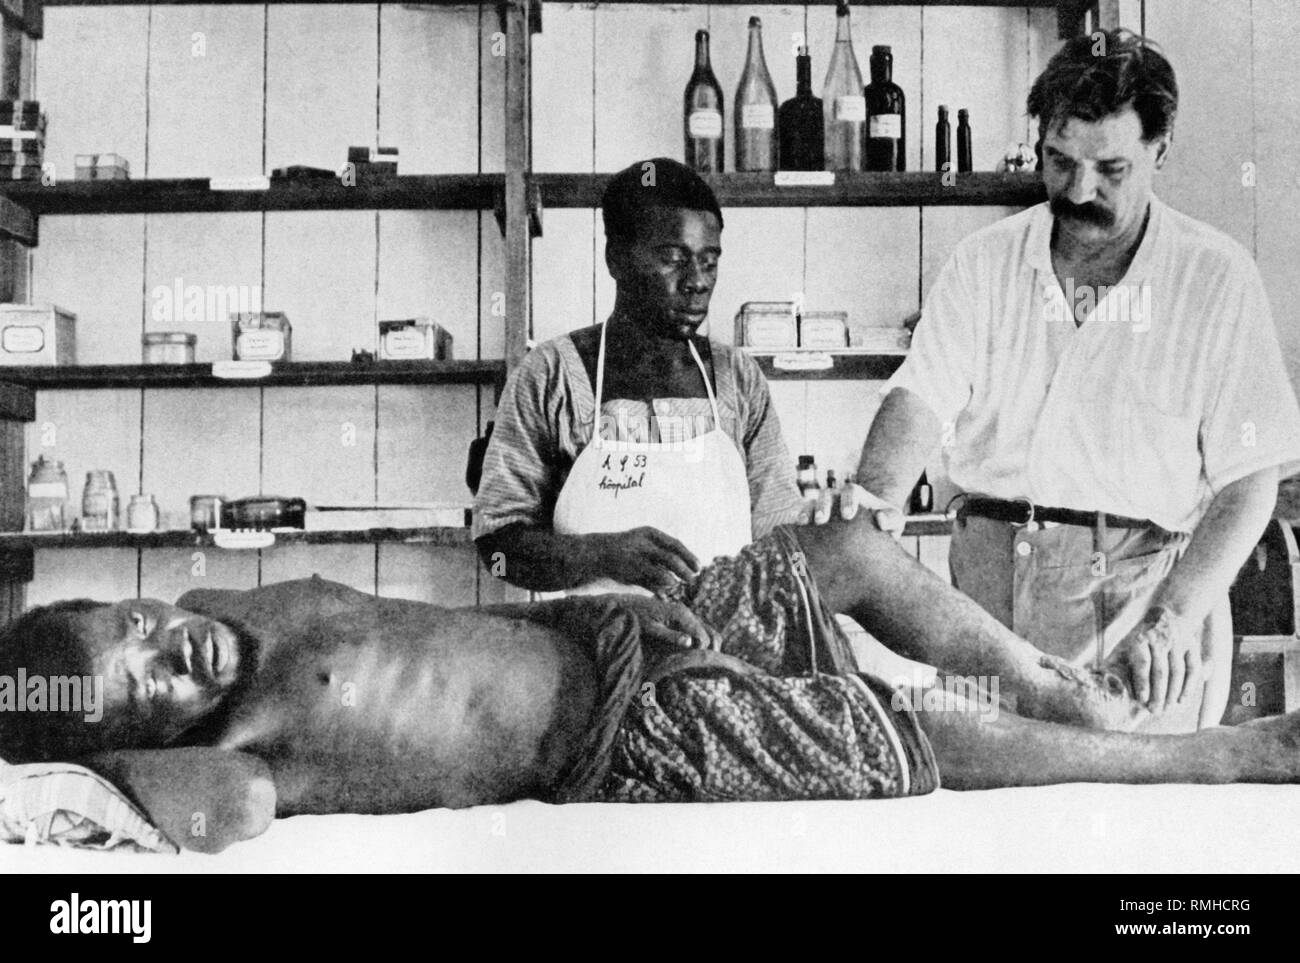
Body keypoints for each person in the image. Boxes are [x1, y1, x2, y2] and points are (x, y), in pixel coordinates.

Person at [6, 512, 1300, 855]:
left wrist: (587, 598)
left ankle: (1054, 678)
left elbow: (445, 614)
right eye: (148, 686)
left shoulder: (225, 607)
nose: (171, 648)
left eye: (137, 618)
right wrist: (98, 767)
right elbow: (217, 822)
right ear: (144, 741)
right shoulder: (246, 752)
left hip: (602, 632)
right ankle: (1207, 757)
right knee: (899, 726)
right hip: (624, 735)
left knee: (841, 551)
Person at [841, 30, 1300, 733]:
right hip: (988, 598)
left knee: (1135, 823)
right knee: (986, 822)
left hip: (1145, 608)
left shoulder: (1215, 277)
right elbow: (921, 394)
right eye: (1059, 162)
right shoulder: (984, 263)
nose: (1079, 191)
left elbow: (1248, 482)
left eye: (1110, 168)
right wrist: (870, 504)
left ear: (1160, 150)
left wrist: (1175, 618)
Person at [473, 157, 802, 595]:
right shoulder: (550, 374)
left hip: (722, 647)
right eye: (673, 258)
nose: (696, 282)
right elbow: (496, 553)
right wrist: (599, 554)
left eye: (709, 261)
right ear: (616, 259)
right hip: (591, 650)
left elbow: (782, 543)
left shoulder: (739, 379)